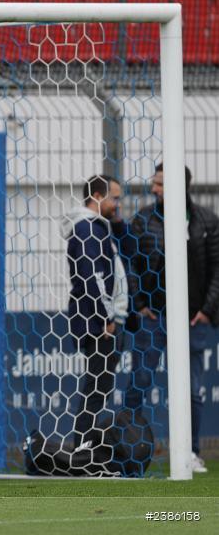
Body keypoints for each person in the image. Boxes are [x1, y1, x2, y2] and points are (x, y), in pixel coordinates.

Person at [125, 163, 219, 473]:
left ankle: (190, 453)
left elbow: (217, 268)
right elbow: (132, 265)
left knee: (191, 389)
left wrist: (207, 310)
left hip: (192, 319)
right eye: (154, 183)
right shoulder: (143, 220)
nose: (154, 189)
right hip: (153, 317)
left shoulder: (206, 220)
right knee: (139, 383)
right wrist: (139, 304)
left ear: (181, 186)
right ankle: (127, 451)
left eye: (162, 184)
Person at [63, 175, 128, 450]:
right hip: (100, 324)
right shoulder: (88, 229)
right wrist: (107, 318)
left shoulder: (99, 228)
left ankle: (84, 447)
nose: (118, 205)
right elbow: (93, 277)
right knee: (95, 389)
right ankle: (82, 450)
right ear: (98, 196)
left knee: (98, 389)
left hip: (104, 321)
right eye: (115, 198)